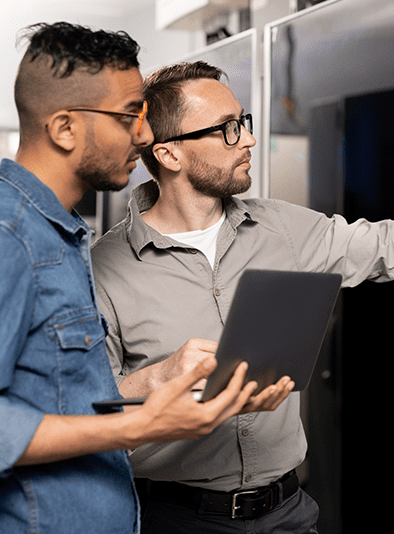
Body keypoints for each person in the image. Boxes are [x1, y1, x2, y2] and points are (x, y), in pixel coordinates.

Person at [90, 60, 394, 533]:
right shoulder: (104, 268)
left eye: (244, 122)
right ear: (170, 154)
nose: (250, 139)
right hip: (175, 519)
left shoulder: (284, 228)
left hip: (287, 513)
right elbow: (85, 411)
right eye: (228, 129)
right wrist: (159, 377)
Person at [0, 25, 292, 534]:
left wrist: (161, 380)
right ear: (65, 128)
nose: (145, 133)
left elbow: (58, 398)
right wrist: (144, 425)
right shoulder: (12, 237)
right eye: (128, 115)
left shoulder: (63, 234)